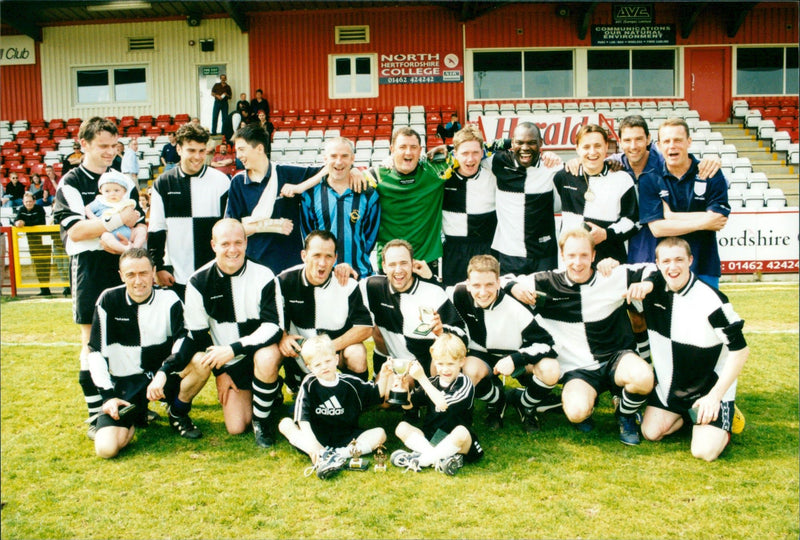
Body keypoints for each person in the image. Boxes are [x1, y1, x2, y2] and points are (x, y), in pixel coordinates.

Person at [507, 227, 655, 445]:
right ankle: (587, 403)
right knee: (577, 413)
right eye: (572, 255)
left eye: (584, 255)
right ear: (562, 255)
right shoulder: (546, 282)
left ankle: (625, 414)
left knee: (643, 377)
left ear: (594, 256)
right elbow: (502, 279)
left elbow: (652, 267)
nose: (578, 262)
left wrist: (647, 283)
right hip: (577, 370)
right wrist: (514, 287)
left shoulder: (611, 276)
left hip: (615, 359)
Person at [54, 117, 146, 440]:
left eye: (114, 146)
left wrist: (135, 244)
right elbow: (77, 230)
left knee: (126, 335)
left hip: (123, 263)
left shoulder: (122, 179)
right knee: (90, 343)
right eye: (103, 146)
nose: (110, 152)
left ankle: (130, 402)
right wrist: (116, 220)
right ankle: (96, 414)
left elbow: (139, 220)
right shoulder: (71, 182)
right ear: (84, 145)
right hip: (90, 267)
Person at [165, 219, 284, 448]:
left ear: (246, 243)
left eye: (238, 242)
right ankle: (269, 393)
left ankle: (263, 422)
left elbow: (273, 327)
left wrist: (233, 349)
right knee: (237, 426)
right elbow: (199, 335)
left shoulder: (264, 274)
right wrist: (220, 372)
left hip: (256, 351)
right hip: (229, 362)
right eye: (225, 243)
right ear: (213, 245)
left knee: (267, 357)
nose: (232, 250)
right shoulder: (198, 282)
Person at [636, 237, 749, 462]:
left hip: (708, 390)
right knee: (651, 432)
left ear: (690, 260)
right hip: (672, 389)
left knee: (703, 452)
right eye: (666, 261)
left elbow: (741, 350)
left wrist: (715, 397)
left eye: (679, 259)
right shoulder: (652, 290)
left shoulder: (712, 300)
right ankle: (690, 415)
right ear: (657, 264)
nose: (673, 266)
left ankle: (725, 412)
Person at [87, 249, 205, 457]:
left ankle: (177, 412)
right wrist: (108, 397)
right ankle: (135, 414)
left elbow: (185, 339)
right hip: (126, 385)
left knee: (202, 361)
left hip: (161, 378)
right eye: (131, 275)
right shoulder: (108, 300)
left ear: (153, 272)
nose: (138, 280)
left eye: (143, 273)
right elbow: (95, 352)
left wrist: (164, 371)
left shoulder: (169, 299)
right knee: (106, 449)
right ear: (121, 275)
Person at [449, 254, 560, 432]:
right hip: (481, 357)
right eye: (476, 285)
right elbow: (435, 293)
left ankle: (524, 404)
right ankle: (497, 400)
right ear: (468, 284)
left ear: (499, 283)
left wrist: (515, 359)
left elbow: (550, 344)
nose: (482, 292)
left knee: (550, 369)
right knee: (466, 371)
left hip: (514, 355)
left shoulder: (516, 305)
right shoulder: (459, 293)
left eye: (489, 285)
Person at [271, 230, 374, 393]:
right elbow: (271, 319)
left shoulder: (347, 283)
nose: (322, 263)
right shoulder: (283, 281)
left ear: (335, 258)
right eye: (316, 255)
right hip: (299, 353)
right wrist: (283, 337)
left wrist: (327, 348)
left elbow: (366, 327)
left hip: (335, 353)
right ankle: (284, 387)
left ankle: (353, 396)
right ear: (304, 255)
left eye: (328, 256)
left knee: (357, 352)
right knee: (271, 350)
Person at [278, 335, 391, 479]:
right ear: (309, 367)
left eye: (327, 361)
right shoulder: (309, 385)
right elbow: (303, 419)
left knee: (380, 434)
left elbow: (375, 394)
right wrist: (313, 444)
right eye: (317, 365)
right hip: (317, 437)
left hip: (347, 438)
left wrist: (386, 374)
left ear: (336, 359)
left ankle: (336, 456)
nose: (324, 367)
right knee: (285, 424)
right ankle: (319, 453)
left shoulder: (350, 383)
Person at [640, 117, 730, 289]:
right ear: (659, 146)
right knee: (671, 316)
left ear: (689, 142)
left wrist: (671, 217)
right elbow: (658, 229)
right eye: (666, 141)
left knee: (706, 316)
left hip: (705, 265)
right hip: (668, 270)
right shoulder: (650, 178)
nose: (672, 145)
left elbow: (718, 220)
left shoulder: (711, 173)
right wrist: (706, 221)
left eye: (678, 140)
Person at [360, 239, 468, 377]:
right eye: (392, 264)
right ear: (384, 266)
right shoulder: (372, 287)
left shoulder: (433, 292)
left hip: (429, 368)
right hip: (397, 366)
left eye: (403, 263)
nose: (398, 270)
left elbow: (463, 337)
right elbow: (344, 291)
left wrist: (442, 331)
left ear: (412, 264)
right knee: (384, 395)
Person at [225, 123, 323, 274]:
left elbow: (329, 169)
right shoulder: (238, 182)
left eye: (241, 149)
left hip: (289, 266)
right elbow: (232, 229)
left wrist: (299, 188)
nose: (238, 156)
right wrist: (273, 225)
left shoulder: (286, 173)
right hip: (254, 265)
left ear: (259, 148)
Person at [148, 123, 230, 300]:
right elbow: (156, 229)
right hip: (176, 276)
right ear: (178, 149)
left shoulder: (222, 181)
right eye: (191, 150)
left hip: (215, 273)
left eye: (202, 151)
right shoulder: (163, 183)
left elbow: (228, 228)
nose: (198, 157)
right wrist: (158, 267)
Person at [390, 333, 483, 475]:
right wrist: (403, 391)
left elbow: (443, 403)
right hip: (431, 438)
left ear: (461, 362)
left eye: (450, 364)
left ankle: (421, 460)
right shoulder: (432, 383)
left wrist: (421, 378)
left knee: (461, 432)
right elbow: (409, 406)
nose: (445, 369)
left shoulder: (464, 383)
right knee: (401, 428)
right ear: (434, 361)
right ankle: (440, 458)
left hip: (457, 441)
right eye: (440, 364)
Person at [553, 124, 638, 265]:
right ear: (577, 148)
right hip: (573, 263)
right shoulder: (563, 176)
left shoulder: (622, 178)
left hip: (609, 261)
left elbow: (632, 221)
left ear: (606, 147)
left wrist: (606, 234)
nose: (592, 152)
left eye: (597, 146)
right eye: (586, 147)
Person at [299, 137, 380, 278]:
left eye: (344, 156)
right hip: (324, 276)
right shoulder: (310, 195)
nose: (339, 161)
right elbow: (309, 236)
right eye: (333, 156)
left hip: (359, 274)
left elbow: (370, 238)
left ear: (352, 159)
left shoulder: (368, 195)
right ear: (325, 159)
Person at [371, 127, 447, 273]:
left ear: (420, 150)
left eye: (413, 147)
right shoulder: (375, 176)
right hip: (390, 263)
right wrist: (353, 171)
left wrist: (448, 146)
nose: (408, 152)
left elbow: (471, 151)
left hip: (426, 260)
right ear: (392, 149)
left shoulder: (435, 171)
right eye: (402, 147)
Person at [490, 122, 562, 275]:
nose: (525, 148)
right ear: (512, 142)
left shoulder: (552, 166)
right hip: (509, 255)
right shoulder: (499, 162)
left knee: (543, 299)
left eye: (531, 143)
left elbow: (582, 169)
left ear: (541, 143)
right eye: (519, 142)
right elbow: (473, 150)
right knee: (511, 298)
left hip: (544, 255)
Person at [438, 125, 498, 286]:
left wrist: (548, 156)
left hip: (487, 249)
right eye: (464, 153)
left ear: (482, 153)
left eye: (475, 153)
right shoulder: (442, 177)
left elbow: (515, 147)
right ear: (455, 153)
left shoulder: (493, 174)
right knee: (455, 298)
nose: (470, 159)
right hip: (454, 250)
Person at [85, 170, 146, 254]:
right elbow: (87, 209)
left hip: (127, 232)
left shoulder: (126, 202)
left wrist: (135, 216)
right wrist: (94, 219)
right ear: (101, 191)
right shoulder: (100, 202)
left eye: (116, 190)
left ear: (124, 191)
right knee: (105, 236)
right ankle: (125, 249)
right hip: (110, 233)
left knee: (141, 230)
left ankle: (135, 248)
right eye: (107, 191)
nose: (112, 194)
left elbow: (131, 223)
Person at [14, 192, 51, 295]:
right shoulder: (21, 209)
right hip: (32, 242)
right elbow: (16, 220)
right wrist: (17, 222)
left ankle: (48, 288)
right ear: (23, 202)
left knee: (45, 265)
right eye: (26, 202)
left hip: (43, 241)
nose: (28, 203)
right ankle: (43, 289)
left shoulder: (39, 209)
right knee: (37, 264)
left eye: (30, 201)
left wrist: (25, 223)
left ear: (34, 201)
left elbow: (39, 222)